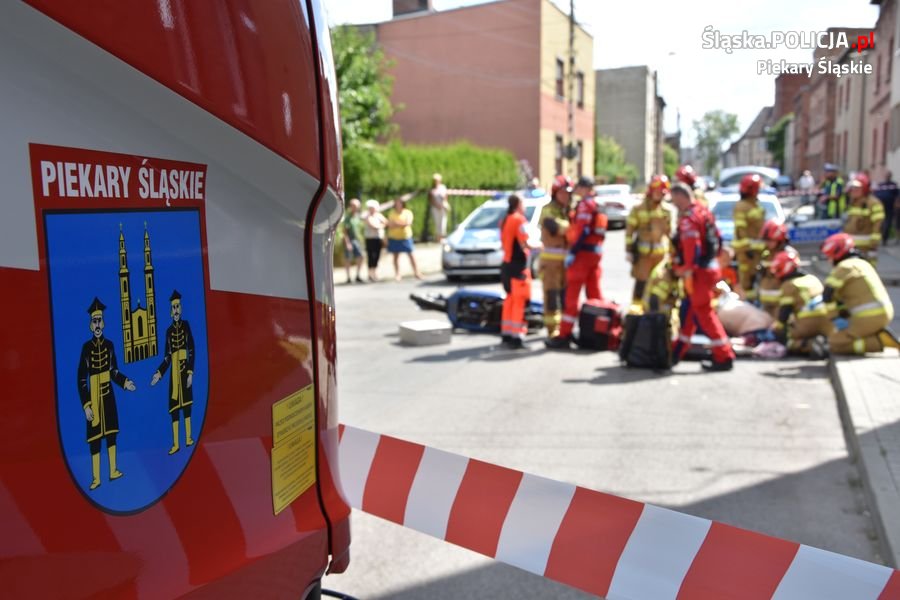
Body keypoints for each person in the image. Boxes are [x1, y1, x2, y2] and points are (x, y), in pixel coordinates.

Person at [669, 183, 736, 371]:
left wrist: (686, 269)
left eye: (674, 200)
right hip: (709, 269)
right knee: (691, 311)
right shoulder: (704, 211)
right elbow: (718, 238)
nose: (674, 205)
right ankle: (677, 352)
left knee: (704, 315)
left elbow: (692, 246)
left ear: (681, 197)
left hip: (698, 274)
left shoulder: (689, 219)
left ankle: (724, 356)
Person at [78, 297, 136, 490]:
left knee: (111, 435)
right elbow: (81, 379)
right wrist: (86, 405)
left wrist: (125, 382)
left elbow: (114, 371)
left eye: (99, 320)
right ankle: (96, 478)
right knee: (95, 440)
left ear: (103, 322)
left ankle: (113, 470)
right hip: (93, 396)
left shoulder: (110, 345)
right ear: (90, 324)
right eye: (94, 321)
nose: (97, 325)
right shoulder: (86, 348)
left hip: (108, 394)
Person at [545, 176, 607, 349]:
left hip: (582, 255)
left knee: (571, 297)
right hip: (595, 254)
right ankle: (599, 332)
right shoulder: (597, 205)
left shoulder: (586, 205)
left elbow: (583, 230)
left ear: (584, 188)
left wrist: (573, 252)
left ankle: (564, 334)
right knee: (594, 295)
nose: (575, 193)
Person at [821, 233, 899, 354]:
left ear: (836, 254)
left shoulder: (844, 267)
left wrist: (834, 317)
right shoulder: (863, 263)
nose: (828, 260)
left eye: (829, 257)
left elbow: (827, 294)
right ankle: (875, 334)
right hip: (884, 312)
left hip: (869, 316)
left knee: (834, 342)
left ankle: (879, 341)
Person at [151, 290, 196, 455]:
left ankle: (189, 437)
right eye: (173, 307)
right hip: (174, 374)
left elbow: (191, 349)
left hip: (185, 370)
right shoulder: (168, 331)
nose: (175, 310)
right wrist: (159, 373)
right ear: (170, 311)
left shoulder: (186, 326)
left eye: (177, 306)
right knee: (174, 409)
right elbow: (167, 357)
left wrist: (190, 372)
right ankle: (176, 443)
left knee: (187, 405)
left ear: (181, 308)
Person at [768, 250, 831, 357]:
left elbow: (784, 313)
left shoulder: (789, 284)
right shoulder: (813, 278)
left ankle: (809, 345)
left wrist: (776, 330)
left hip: (807, 323)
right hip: (827, 320)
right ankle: (824, 341)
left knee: (785, 341)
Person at [625, 174, 673, 304]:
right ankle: (636, 313)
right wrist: (629, 251)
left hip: (661, 257)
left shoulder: (667, 211)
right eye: (658, 192)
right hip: (643, 256)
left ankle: (654, 314)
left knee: (659, 286)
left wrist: (674, 254)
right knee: (641, 284)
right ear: (651, 191)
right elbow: (629, 232)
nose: (660, 195)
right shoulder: (638, 209)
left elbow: (671, 235)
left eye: (662, 193)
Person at [500, 194, 536, 349]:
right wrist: (540, 246)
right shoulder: (519, 219)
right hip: (517, 266)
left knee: (510, 299)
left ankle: (507, 333)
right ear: (518, 204)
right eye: (524, 202)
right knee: (519, 301)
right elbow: (525, 242)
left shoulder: (505, 219)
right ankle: (517, 336)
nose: (525, 206)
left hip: (507, 265)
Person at [539, 175, 573, 337]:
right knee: (551, 296)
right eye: (562, 193)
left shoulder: (567, 211)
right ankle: (552, 330)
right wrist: (571, 226)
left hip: (566, 264)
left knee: (565, 296)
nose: (566, 196)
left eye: (568, 193)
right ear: (555, 193)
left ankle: (564, 329)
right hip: (551, 264)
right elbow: (559, 229)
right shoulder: (548, 210)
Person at [733, 174, 767, 302]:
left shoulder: (755, 204)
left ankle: (754, 301)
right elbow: (741, 229)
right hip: (747, 252)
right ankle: (748, 304)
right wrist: (748, 249)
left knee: (757, 277)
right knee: (747, 280)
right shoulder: (742, 206)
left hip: (758, 250)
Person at [843, 173, 885, 264]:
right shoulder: (853, 202)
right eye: (852, 188)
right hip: (852, 245)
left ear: (864, 189)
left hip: (866, 247)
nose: (853, 190)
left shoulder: (873, 203)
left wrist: (873, 245)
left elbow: (878, 224)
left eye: (857, 188)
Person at [757, 220, 795, 318]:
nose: (767, 243)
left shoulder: (789, 255)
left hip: (780, 304)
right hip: (765, 304)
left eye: (770, 240)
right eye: (766, 240)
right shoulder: (766, 254)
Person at [386, 196, 422, 281]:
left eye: (399, 203)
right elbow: (390, 225)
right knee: (396, 256)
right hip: (394, 237)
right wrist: (401, 224)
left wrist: (397, 223)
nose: (398, 205)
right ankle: (398, 274)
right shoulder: (392, 213)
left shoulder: (407, 212)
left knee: (411, 255)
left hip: (405, 237)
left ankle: (416, 272)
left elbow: (407, 223)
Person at [342, 198, 365, 283]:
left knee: (361, 256)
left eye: (357, 206)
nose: (355, 207)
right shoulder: (348, 217)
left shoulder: (358, 216)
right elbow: (344, 232)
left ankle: (358, 275)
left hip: (358, 240)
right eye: (354, 205)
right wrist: (347, 243)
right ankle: (348, 277)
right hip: (350, 240)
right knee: (348, 258)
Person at [363, 199, 387, 281]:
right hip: (370, 239)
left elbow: (385, 222)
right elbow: (373, 226)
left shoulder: (378, 215)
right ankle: (370, 273)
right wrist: (380, 225)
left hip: (378, 238)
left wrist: (380, 225)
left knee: (377, 255)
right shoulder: (367, 216)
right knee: (370, 256)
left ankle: (374, 272)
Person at [874, 171, 899, 244]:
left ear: (891, 176)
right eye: (886, 175)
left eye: (889, 175)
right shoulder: (881, 185)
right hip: (880, 206)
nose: (887, 176)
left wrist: (896, 203)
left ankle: (885, 238)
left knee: (888, 222)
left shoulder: (894, 185)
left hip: (890, 207)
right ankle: (881, 236)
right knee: (881, 221)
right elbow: (876, 194)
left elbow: (897, 195)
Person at [428, 173, 451, 241]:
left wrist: (443, 204)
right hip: (435, 207)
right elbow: (431, 199)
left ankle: (443, 237)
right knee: (437, 222)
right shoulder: (432, 189)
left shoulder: (443, 187)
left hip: (442, 207)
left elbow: (445, 197)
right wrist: (436, 205)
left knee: (443, 222)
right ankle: (438, 238)